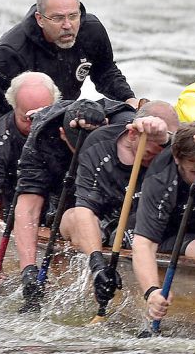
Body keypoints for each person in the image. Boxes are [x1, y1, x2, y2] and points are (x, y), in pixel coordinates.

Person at [0, 0, 139, 157]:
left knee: (124, 118)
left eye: (73, 16)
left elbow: (106, 72)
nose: (68, 25)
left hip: (64, 118)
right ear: (40, 19)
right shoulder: (10, 53)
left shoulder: (92, 31)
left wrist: (129, 98)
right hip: (23, 127)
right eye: (58, 18)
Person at [57, 101, 179, 310]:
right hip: (104, 223)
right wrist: (98, 265)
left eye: (165, 147)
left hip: (147, 226)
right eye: (153, 151)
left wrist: (167, 140)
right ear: (133, 135)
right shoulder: (99, 144)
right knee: (73, 217)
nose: (161, 156)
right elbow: (85, 210)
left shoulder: (171, 147)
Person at [13, 98, 135, 293]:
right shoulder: (42, 138)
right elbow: (28, 207)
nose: (89, 158)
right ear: (62, 135)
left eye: (93, 149)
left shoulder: (125, 123)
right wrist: (28, 270)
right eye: (83, 151)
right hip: (67, 198)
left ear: (106, 126)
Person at [133, 121, 195, 323]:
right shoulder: (161, 179)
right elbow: (144, 244)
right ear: (178, 160)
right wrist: (152, 292)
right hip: (173, 236)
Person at [0, 72, 59, 285]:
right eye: (28, 119)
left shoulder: (68, 125)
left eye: (43, 115)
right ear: (13, 108)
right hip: (17, 207)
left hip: (59, 202)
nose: (36, 125)